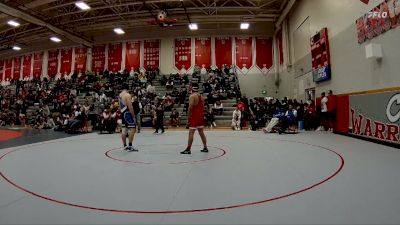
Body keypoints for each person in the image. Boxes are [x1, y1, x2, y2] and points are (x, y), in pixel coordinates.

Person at [181, 83, 208, 154]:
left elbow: (190, 107)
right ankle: (205, 147)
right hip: (200, 116)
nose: (189, 88)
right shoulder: (201, 96)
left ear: (192, 88)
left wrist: (188, 116)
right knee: (201, 133)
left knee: (191, 133)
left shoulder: (192, 96)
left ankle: (188, 149)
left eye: (190, 87)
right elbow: (202, 106)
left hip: (194, 116)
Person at [118, 83, 137, 151]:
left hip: (123, 113)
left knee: (124, 129)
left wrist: (122, 113)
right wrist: (133, 115)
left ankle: (125, 146)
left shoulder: (120, 95)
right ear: (127, 88)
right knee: (133, 129)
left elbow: (120, 107)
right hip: (127, 113)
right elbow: (130, 106)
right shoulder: (127, 95)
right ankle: (130, 146)